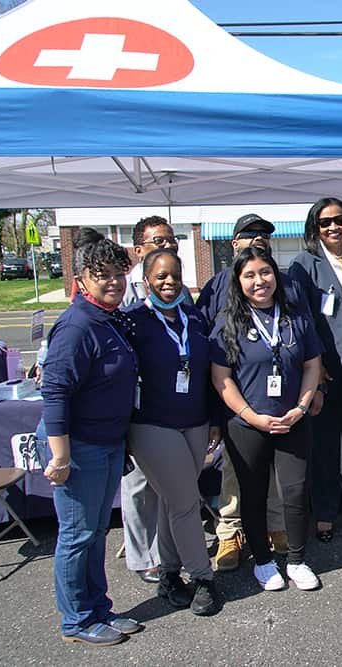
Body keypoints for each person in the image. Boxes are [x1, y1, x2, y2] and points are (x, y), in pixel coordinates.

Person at [40, 228, 141, 646]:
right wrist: (60, 456)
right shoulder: (77, 325)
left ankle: (99, 608)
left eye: (118, 272)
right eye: (102, 275)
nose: (113, 281)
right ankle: (76, 620)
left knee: (96, 532)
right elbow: (55, 390)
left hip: (108, 443)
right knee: (77, 536)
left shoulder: (107, 317)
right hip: (81, 450)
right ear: (81, 279)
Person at [210, 246, 323, 591]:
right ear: (239, 281)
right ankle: (262, 561)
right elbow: (221, 378)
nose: (260, 281)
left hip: (292, 419)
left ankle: (298, 560)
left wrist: (301, 408)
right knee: (254, 493)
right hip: (247, 425)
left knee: (295, 490)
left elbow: (311, 365)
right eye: (250, 275)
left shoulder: (295, 319)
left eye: (265, 272)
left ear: (276, 275)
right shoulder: (228, 322)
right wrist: (251, 416)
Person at [197, 213, 301, 571]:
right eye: (250, 234)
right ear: (234, 243)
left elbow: (304, 339)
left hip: (279, 397)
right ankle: (229, 531)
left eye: (264, 235)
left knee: (272, 469)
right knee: (234, 469)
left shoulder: (283, 283)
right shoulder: (217, 286)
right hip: (234, 399)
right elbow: (206, 348)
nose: (258, 239)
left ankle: (274, 527)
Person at [125, 249, 220, 616]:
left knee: (170, 500)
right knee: (184, 501)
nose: (168, 282)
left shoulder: (193, 318)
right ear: (146, 280)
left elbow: (207, 370)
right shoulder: (132, 321)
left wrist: (213, 418)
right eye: (161, 276)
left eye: (174, 276)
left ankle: (168, 574)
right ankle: (203, 577)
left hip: (195, 421)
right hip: (153, 424)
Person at [288, 197, 342, 544]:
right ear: (316, 227)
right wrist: (317, 363)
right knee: (324, 443)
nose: (333, 227)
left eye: (339, 220)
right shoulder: (302, 264)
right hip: (324, 367)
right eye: (325, 222)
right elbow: (300, 319)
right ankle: (324, 511)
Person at [120, 215, 193, 585]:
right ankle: (143, 556)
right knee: (138, 486)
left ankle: (169, 556)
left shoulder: (179, 288)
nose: (167, 248)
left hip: (175, 406)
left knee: (170, 489)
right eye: (157, 242)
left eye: (171, 242)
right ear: (139, 250)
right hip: (140, 409)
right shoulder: (122, 289)